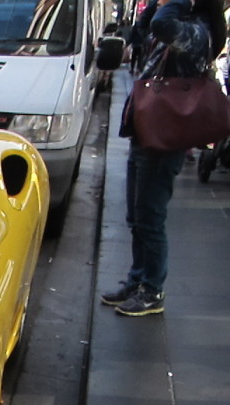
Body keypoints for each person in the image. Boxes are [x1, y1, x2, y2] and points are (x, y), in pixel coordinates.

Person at [100, 0, 225, 317]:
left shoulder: (199, 32)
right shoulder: (177, 20)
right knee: (136, 216)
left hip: (164, 138)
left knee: (150, 219)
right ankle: (137, 279)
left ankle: (152, 289)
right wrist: (155, 5)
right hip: (145, 131)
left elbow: (160, 26)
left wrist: (175, 3)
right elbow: (142, 31)